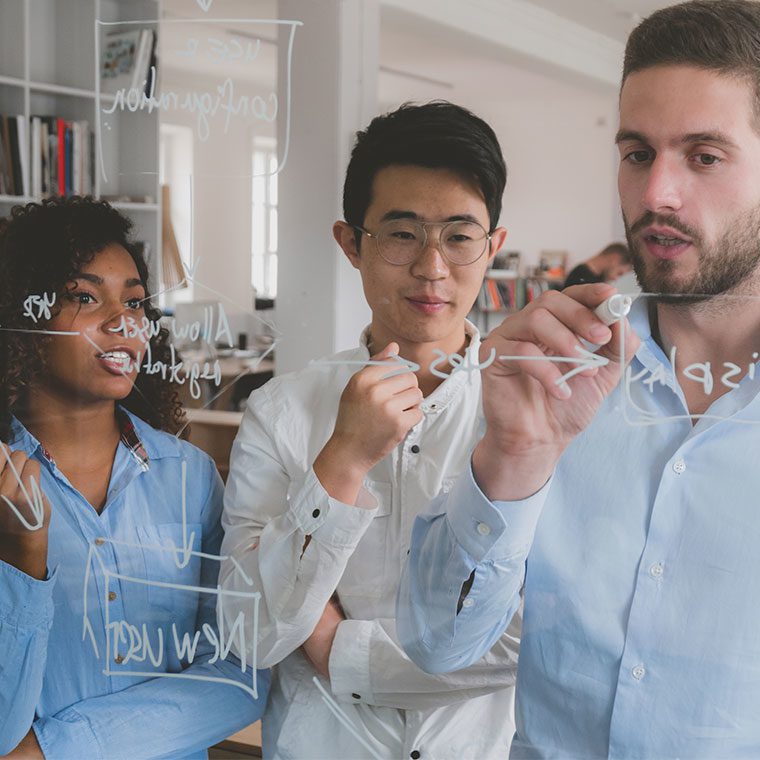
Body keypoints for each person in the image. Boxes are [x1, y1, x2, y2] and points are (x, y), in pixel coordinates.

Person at [397, 1, 760, 757]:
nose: (657, 192)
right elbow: (438, 643)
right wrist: (512, 465)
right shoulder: (548, 363)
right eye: (636, 154)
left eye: (704, 156)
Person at [219, 102, 520, 759]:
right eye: (402, 234)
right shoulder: (282, 411)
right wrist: (343, 460)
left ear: (493, 246)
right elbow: (249, 632)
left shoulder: (533, 414)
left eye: (460, 235)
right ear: (352, 242)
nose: (432, 267)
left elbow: (531, 641)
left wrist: (333, 649)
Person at [0, 197, 269, 758]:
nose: (123, 322)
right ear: (24, 319)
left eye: (135, 301)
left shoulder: (190, 478)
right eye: (85, 296)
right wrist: (22, 561)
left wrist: (58, 749)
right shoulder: (6, 488)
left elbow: (242, 673)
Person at [563, 241, 631, 287]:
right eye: (619, 273)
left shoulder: (597, 278)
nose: (615, 278)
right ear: (614, 259)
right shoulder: (583, 278)